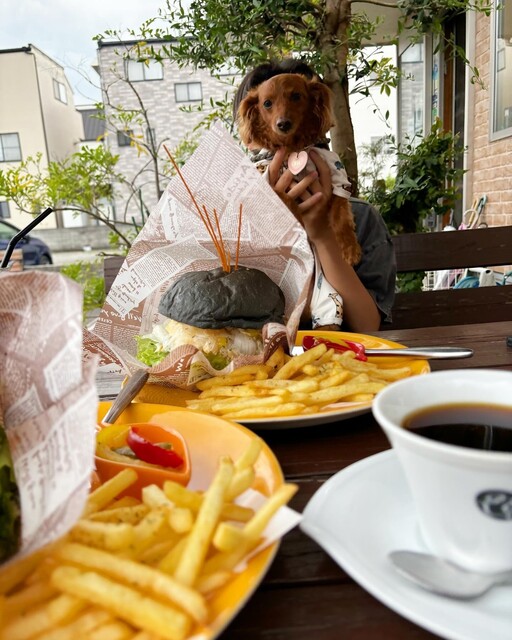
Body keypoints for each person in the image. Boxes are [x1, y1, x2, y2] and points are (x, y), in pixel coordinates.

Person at [233, 60, 396, 333]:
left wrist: (322, 235)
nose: (283, 118)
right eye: (267, 106)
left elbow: (368, 326)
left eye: (297, 100)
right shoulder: (234, 221)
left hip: (341, 353)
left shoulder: (362, 218)